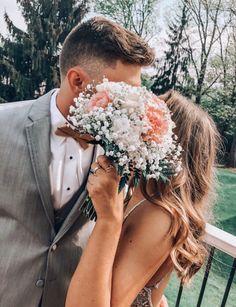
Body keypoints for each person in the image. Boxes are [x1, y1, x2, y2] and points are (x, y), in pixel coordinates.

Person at [0, 17, 155, 307]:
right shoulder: (2, 125)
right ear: (77, 81)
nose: (133, 108)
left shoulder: (127, 150)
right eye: (123, 94)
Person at [65, 90, 220, 307]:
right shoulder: (137, 197)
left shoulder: (159, 216)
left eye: (146, 120)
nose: (135, 124)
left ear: (166, 142)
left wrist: (108, 220)